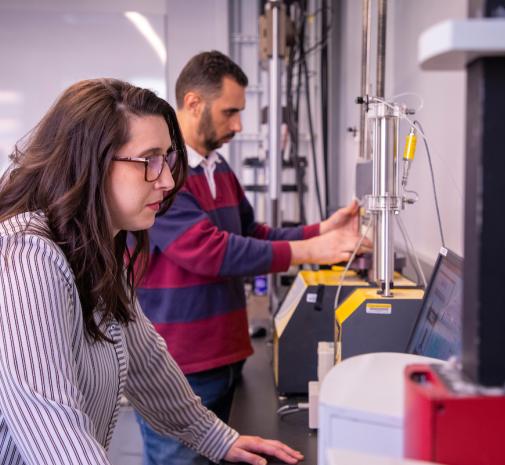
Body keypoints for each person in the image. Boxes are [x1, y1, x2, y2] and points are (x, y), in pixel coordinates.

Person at [0, 78, 303, 465]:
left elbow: (145, 360)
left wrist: (214, 437)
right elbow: (49, 421)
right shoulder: (30, 255)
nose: (167, 180)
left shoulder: (98, 247)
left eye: (168, 160)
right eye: (150, 161)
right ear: (90, 162)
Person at [136, 51, 370, 464]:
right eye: (230, 112)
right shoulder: (164, 174)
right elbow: (210, 251)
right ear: (193, 103)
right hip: (178, 364)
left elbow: (251, 234)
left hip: (224, 355)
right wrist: (309, 252)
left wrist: (322, 231)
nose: (238, 125)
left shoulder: (217, 166)